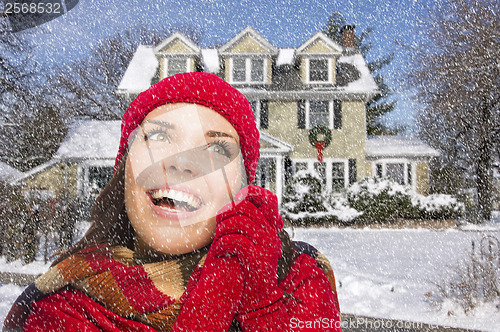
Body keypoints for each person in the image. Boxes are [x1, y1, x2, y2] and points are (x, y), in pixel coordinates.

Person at [4, 72, 341, 331]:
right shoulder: (61, 304)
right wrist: (217, 294)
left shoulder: (299, 278)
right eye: (160, 136)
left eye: (218, 149)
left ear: (243, 189)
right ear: (124, 174)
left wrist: (263, 305)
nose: (182, 162)